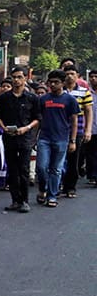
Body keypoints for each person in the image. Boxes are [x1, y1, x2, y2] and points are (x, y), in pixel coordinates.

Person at [0, 67, 41, 213]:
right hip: (9, 137)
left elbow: (37, 118)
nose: (16, 80)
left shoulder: (32, 98)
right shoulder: (4, 98)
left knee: (24, 170)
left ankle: (25, 201)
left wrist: (26, 128)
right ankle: (15, 200)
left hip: (25, 138)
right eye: (14, 77)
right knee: (12, 170)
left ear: (25, 78)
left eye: (19, 77)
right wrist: (4, 128)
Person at [34, 69, 79, 208]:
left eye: (56, 82)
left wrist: (73, 141)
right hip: (44, 138)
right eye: (51, 82)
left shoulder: (70, 100)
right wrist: (34, 138)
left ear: (63, 83)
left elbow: (74, 121)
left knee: (56, 169)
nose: (53, 85)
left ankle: (52, 196)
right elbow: (38, 120)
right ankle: (42, 188)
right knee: (41, 167)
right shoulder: (43, 99)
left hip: (62, 139)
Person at [59, 65, 92, 197]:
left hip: (77, 130)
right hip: (60, 130)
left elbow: (89, 112)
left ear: (77, 75)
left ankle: (70, 187)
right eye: (67, 73)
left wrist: (88, 130)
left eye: (72, 73)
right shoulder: (59, 91)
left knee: (74, 160)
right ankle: (58, 184)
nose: (69, 76)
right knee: (59, 160)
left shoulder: (84, 92)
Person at [86, 69, 97, 185]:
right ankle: (92, 175)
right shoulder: (87, 93)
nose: (93, 79)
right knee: (90, 153)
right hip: (90, 128)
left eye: (96, 76)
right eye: (92, 76)